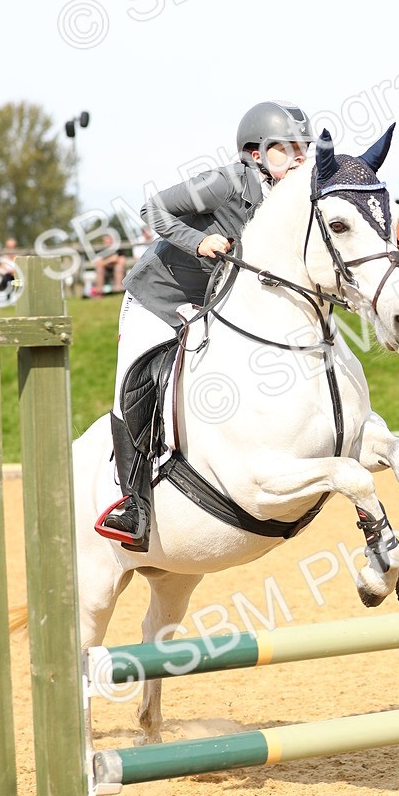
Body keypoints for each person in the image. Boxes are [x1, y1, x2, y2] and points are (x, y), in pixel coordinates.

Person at [95, 99, 315, 550]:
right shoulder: (225, 182)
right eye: (287, 148)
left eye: (303, 149)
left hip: (213, 302)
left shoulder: (289, 201)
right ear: (255, 153)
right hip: (158, 299)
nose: (299, 158)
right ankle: (133, 504)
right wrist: (198, 241)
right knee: (134, 384)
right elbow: (153, 209)